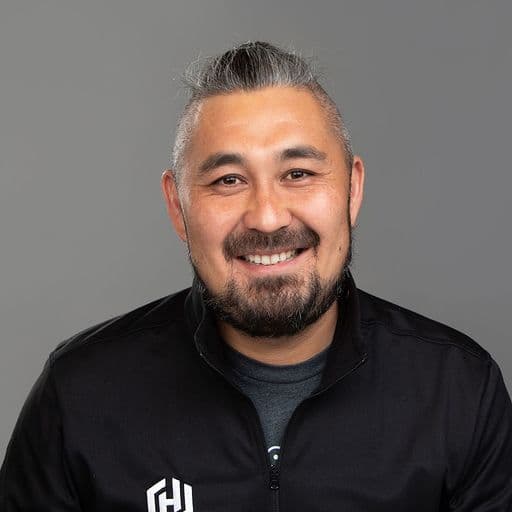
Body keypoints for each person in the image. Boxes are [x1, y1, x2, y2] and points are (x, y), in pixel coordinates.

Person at [1, 41, 511, 511]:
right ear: (178, 207)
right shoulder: (80, 395)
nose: (267, 217)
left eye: (299, 174)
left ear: (353, 190)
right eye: (228, 180)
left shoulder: (458, 391)